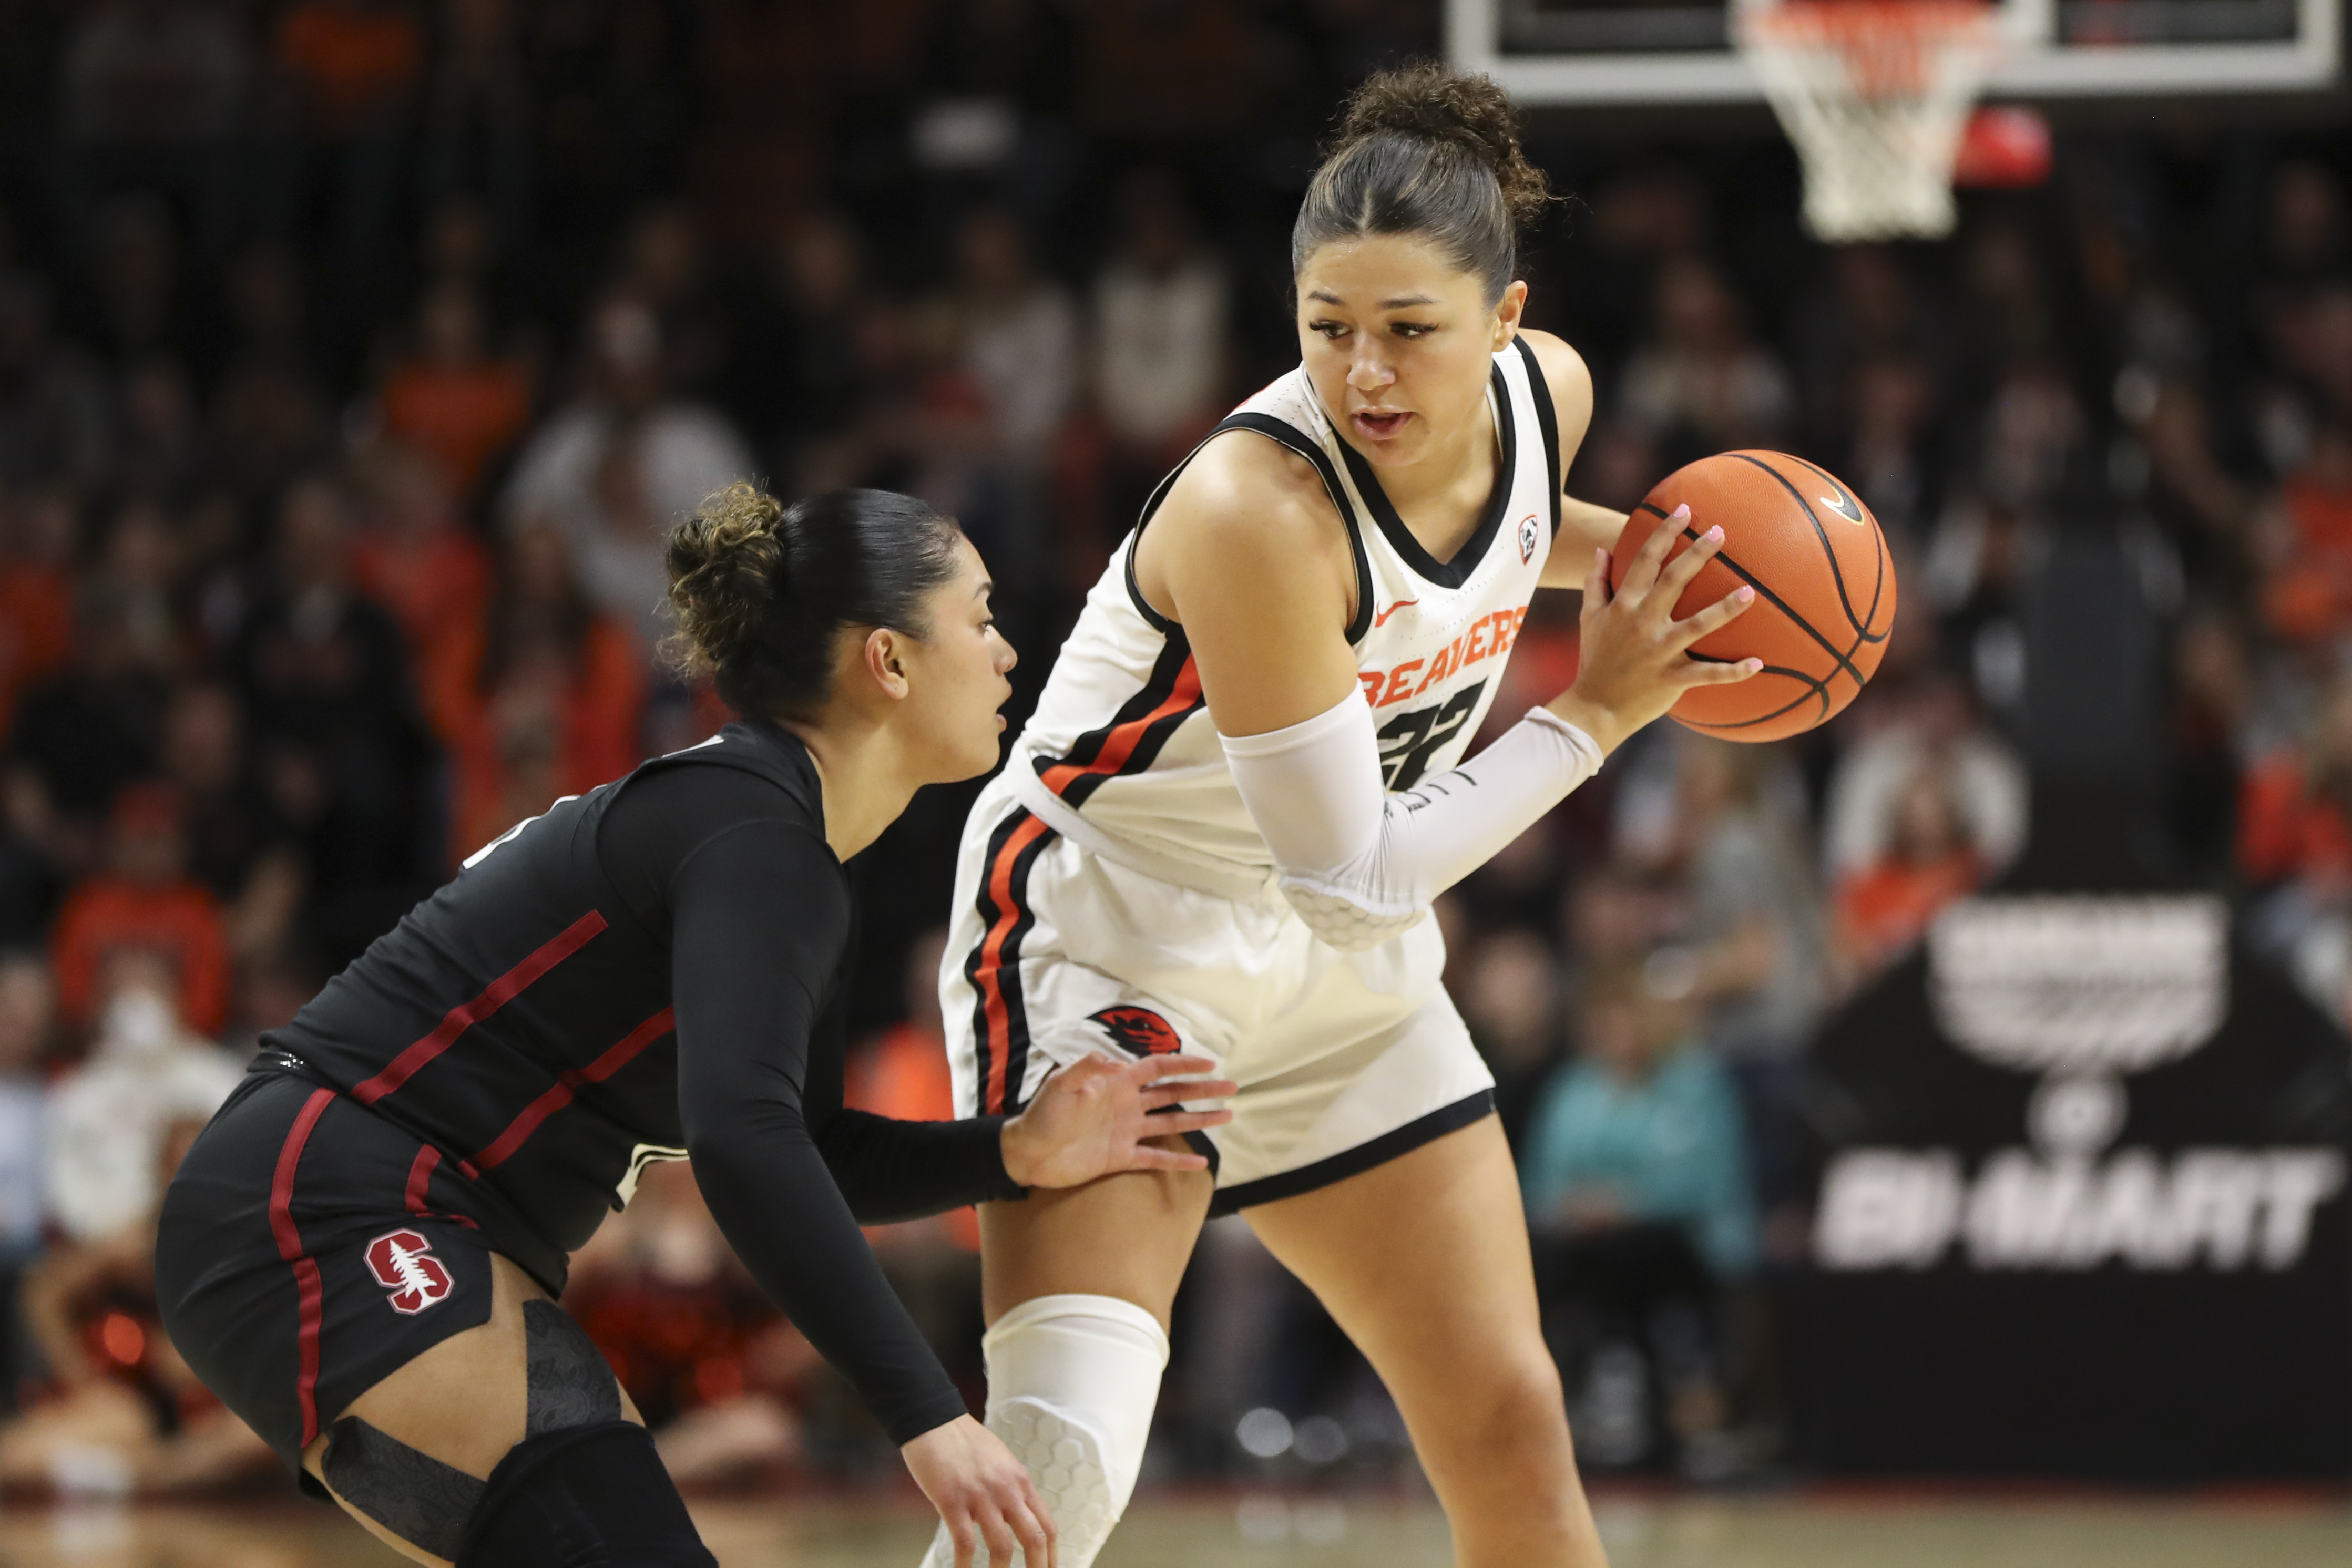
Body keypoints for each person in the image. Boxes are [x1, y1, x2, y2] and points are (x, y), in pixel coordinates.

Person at [930, 64, 1759, 1568]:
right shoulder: (1256, 514)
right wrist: (1602, 709)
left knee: (1509, 1415)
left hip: (1329, 968)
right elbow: (1358, 878)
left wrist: (1663, 567)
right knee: (1065, 1465)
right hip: (1119, 946)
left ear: (1507, 323)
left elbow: (1501, 537)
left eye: (1408, 330)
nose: (1364, 373)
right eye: (1328, 329)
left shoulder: (1547, 400)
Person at [155, 484, 1239, 1568]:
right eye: (981, 616)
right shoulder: (755, 837)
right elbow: (741, 1142)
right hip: (325, 1203)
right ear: (889, 662)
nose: (1008, 653)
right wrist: (930, 1417)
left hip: (386, 1215)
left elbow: (801, 1147)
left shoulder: (779, 845)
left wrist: (1010, 1152)